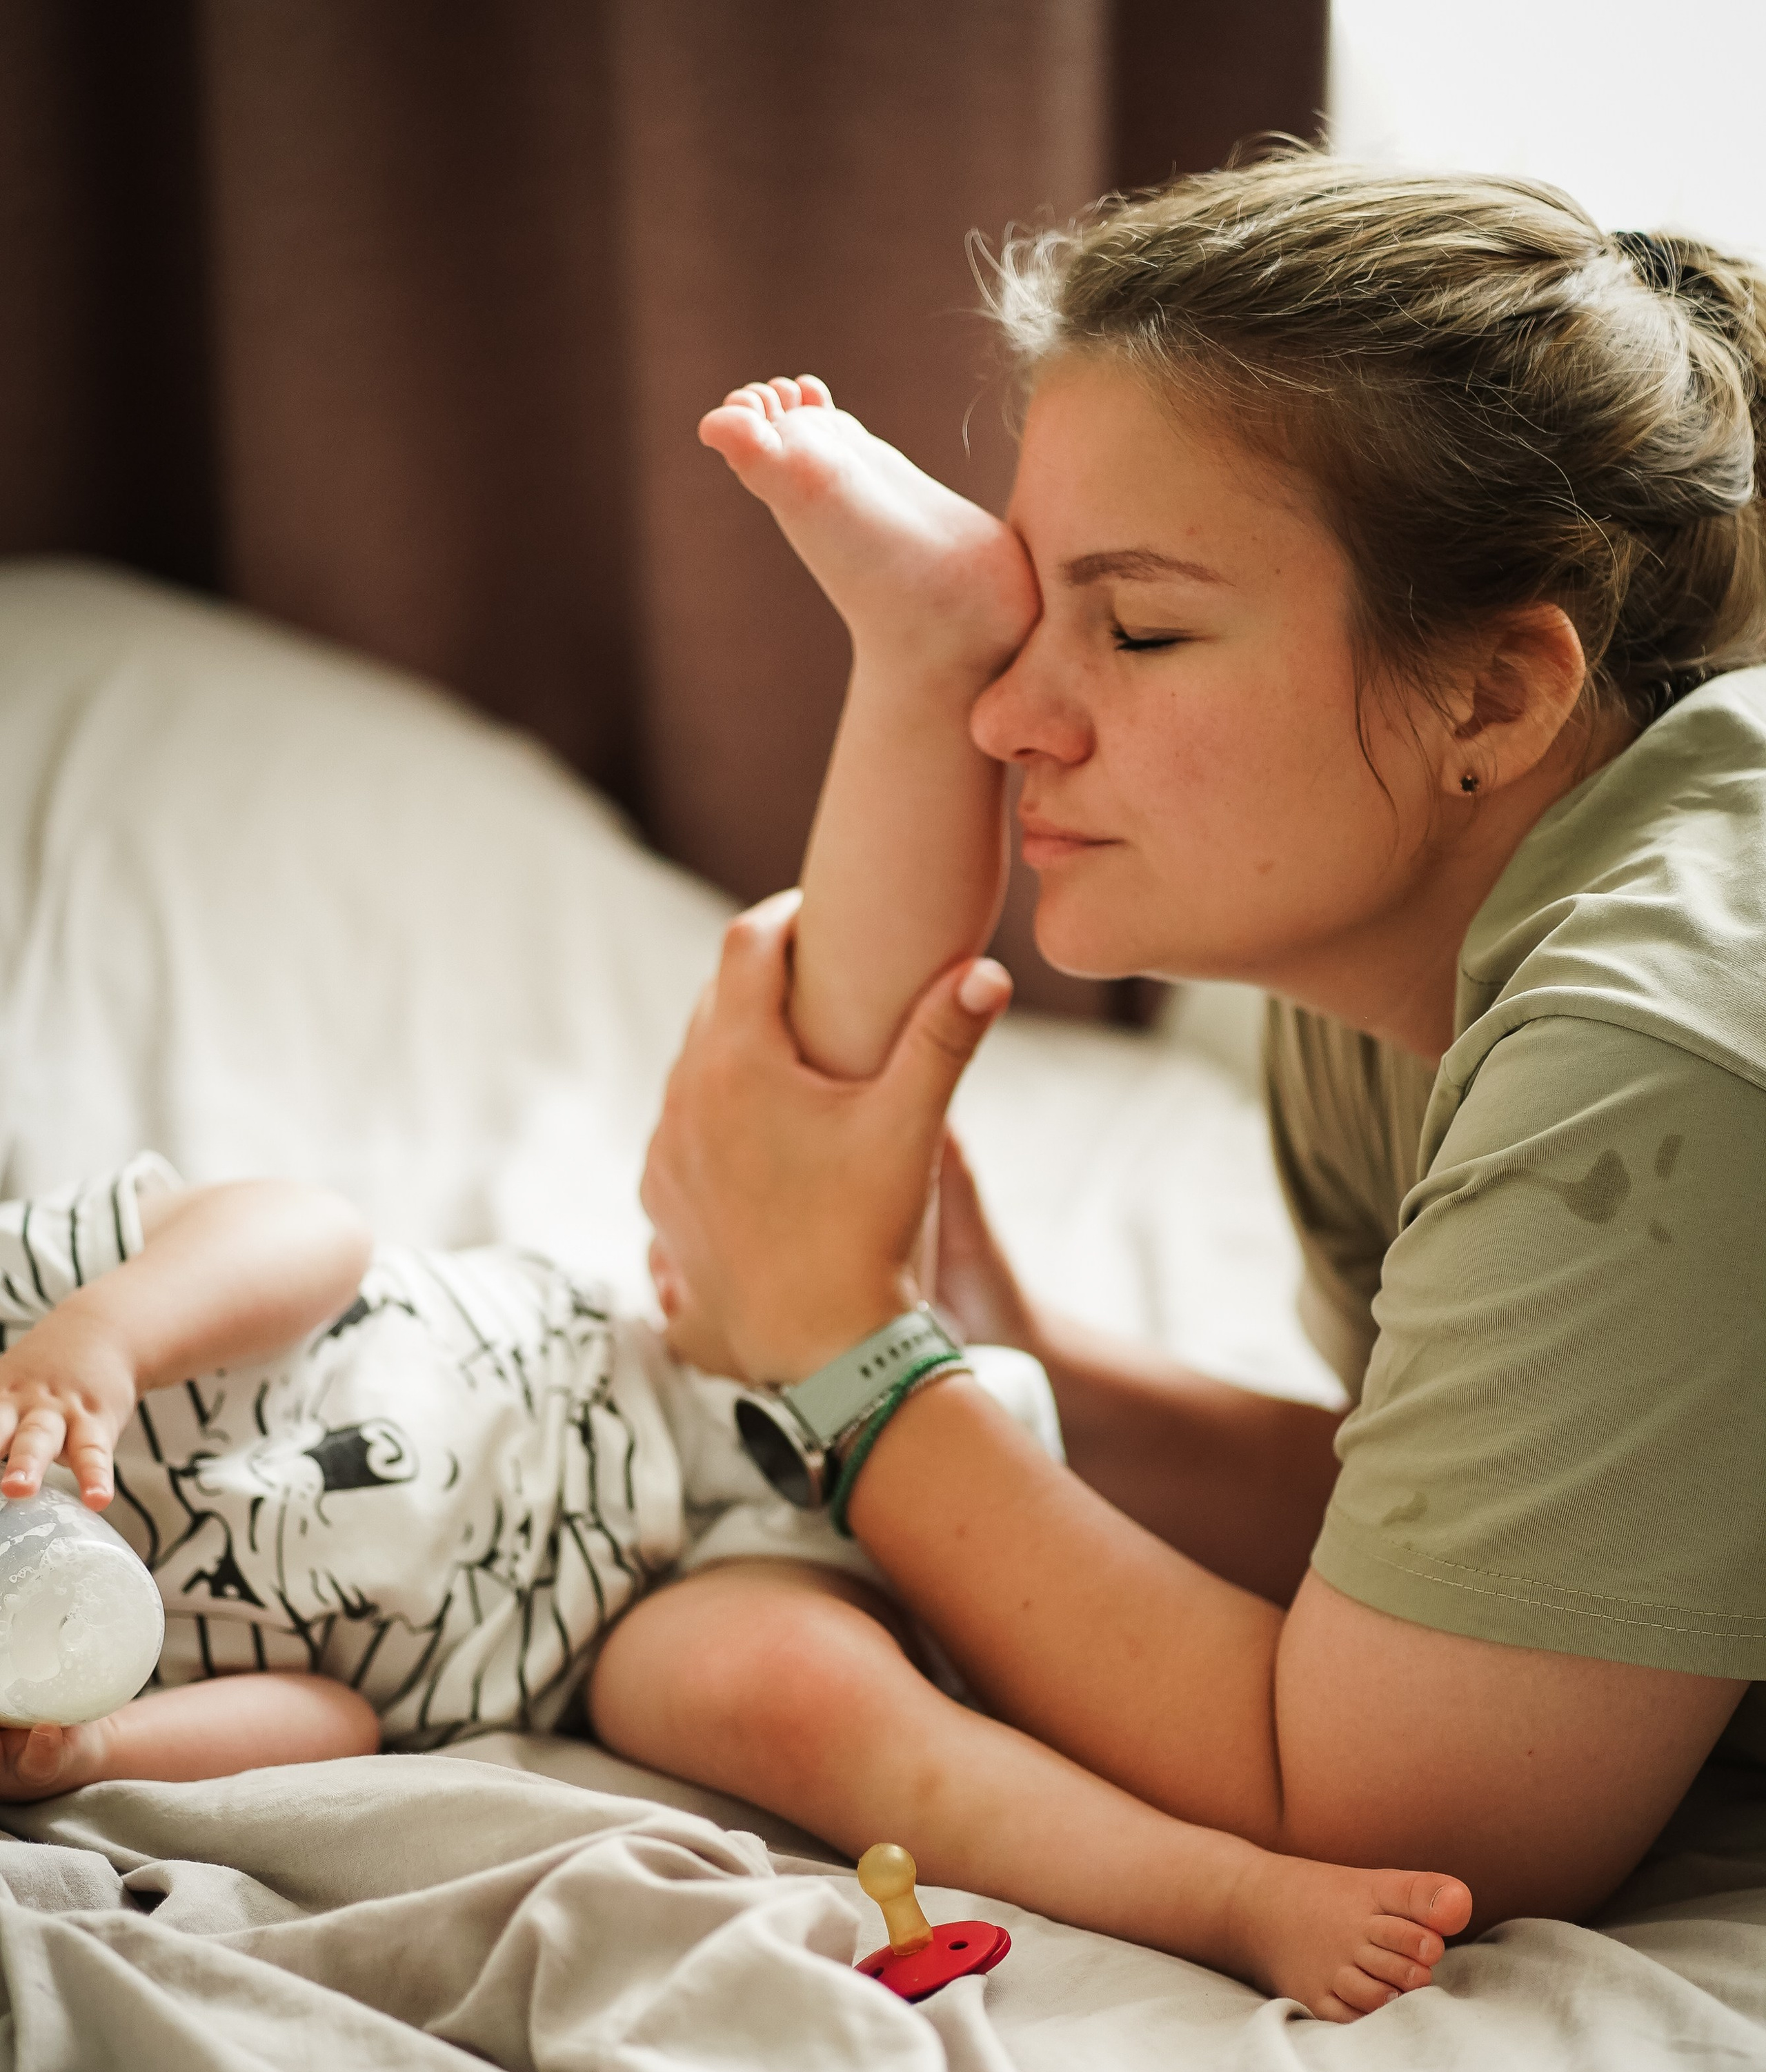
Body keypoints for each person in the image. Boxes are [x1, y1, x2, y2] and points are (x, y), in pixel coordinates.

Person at [0, 323, 1476, 2027]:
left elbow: (301, 1233)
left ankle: (924, 654)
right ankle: (1227, 1896)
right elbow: (333, 1723)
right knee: (809, 1718)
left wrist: (103, 1336)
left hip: (657, 1359)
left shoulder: (48, 1318)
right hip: (622, 1623)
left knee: (835, 1046)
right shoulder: (53, 1659)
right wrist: (96, 1748)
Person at [637, 153, 1766, 1970]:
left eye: (1141, 630)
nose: (1009, 715)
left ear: (1496, 692)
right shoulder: (1385, 965)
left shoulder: (1655, 1045)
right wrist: (1019, 1358)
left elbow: (1407, 1814)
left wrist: (842, 1361)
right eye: (1036, 609)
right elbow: (1481, 1559)